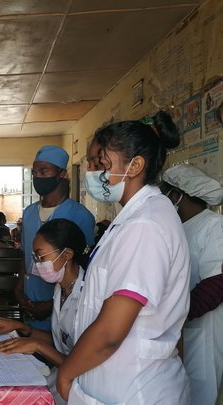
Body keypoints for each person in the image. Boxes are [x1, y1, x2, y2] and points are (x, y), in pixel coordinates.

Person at [57, 112, 190, 403]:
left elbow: (111, 331)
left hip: (135, 389)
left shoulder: (145, 225)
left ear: (135, 166)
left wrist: (65, 374)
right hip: (124, 382)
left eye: (99, 164)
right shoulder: (141, 217)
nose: (91, 172)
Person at [0, 219, 87, 405]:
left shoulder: (87, 297)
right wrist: (22, 328)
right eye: (34, 258)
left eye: (41, 257)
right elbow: (62, 340)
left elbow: (79, 363)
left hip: (77, 389)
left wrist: (37, 346)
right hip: (58, 382)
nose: (37, 265)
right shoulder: (62, 288)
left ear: (67, 254)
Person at [161, 163, 223, 405]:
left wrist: (179, 314)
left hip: (202, 331)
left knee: (199, 392)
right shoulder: (176, 227)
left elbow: (217, 282)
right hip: (178, 329)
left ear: (177, 195)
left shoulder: (214, 226)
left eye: (166, 193)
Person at [15, 145, 95, 332]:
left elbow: (85, 267)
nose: (38, 177)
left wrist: (51, 304)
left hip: (64, 305)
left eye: (44, 171)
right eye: (35, 172)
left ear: (62, 174)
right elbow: (25, 254)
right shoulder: (29, 213)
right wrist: (19, 289)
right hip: (30, 301)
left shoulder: (80, 215)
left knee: (59, 351)